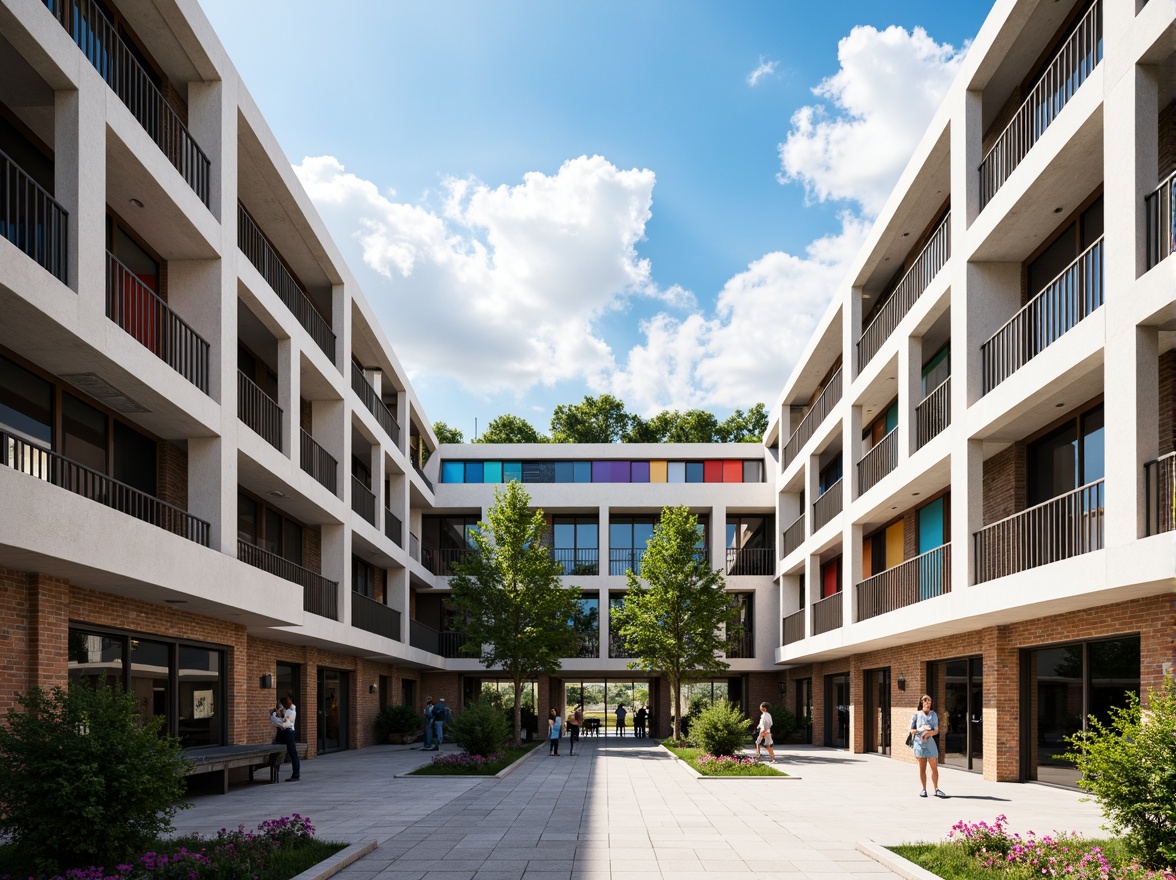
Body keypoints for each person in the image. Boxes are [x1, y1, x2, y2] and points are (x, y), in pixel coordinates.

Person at [911, 694, 945, 798]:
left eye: (929, 703)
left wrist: (927, 733)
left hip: (930, 742)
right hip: (919, 743)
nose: (928, 705)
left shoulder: (933, 714)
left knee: (934, 767)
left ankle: (936, 789)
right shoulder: (916, 715)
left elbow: (936, 730)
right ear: (921, 703)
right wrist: (920, 730)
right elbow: (912, 731)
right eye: (926, 703)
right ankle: (923, 789)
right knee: (922, 768)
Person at [269, 694, 300, 782]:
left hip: (288, 733)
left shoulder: (291, 711)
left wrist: (273, 716)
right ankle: (275, 771)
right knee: (277, 750)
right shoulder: (289, 710)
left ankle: (296, 775)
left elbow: (283, 724)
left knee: (293, 753)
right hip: (285, 732)